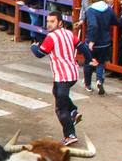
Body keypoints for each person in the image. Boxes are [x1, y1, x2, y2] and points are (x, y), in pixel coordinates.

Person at [31, 11, 92, 144]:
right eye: (48, 21)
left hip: (62, 76)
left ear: (60, 22)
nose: (49, 24)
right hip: (72, 74)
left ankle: (70, 135)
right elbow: (83, 47)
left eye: (52, 21)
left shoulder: (51, 37)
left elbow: (40, 53)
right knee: (57, 93)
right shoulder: (69, 33)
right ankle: (74, 111)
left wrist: (33, 47)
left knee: (60, 108)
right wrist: (90, 60)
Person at [82, 0, 122, 94]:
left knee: (89, 63)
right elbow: (116, 22)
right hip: (105, 42)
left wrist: (91, 40)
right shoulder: (108, 9)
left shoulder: (91, 10)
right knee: (101, 62)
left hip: (93, 42)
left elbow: (93, 25)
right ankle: (99, 80)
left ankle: (88, 85)